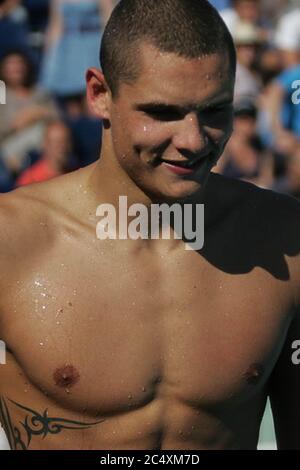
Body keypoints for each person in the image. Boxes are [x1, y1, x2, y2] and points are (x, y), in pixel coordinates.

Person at [0, 0, 300, 451]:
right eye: (162, 113)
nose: (193, 141)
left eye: (215, 111)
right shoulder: (11, 241)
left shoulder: (283, 236)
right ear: (100, 94)